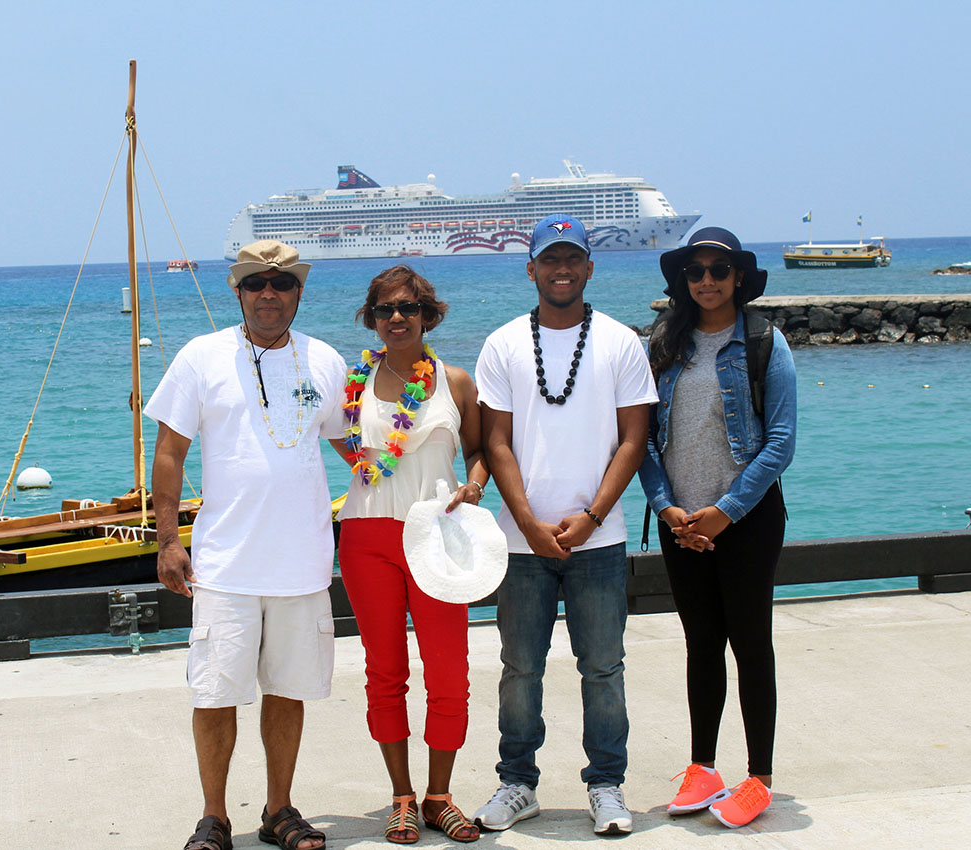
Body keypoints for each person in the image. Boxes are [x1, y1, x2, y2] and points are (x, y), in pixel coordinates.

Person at [145, 240, 346, 850]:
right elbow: (169, 453)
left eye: (281, 283)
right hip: (225, 563)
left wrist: (427, 475)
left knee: (288, 692)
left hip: (303, 562)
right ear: (238, 291)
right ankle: (213, 817)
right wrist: (167, 542)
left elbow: (352, 446)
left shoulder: (327, 361)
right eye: (256, 282)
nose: (268, 293)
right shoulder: (200, 357)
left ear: (298, 294)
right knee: (215, 694)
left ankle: (279, 810)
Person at [472, 215, 657, 836]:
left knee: (603, 667)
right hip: (521, 543)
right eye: (549, 260)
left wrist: (594, 514)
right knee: (520, 668)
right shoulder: (502, 343)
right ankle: (517, 782)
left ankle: (606, 785)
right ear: (531, 269)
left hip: (598, 539)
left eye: (572, 259)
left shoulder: (619, 342)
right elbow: (495, 442)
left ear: (589, 268)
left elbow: (634, 438)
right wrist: (525, 521)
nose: (561, 270)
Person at [637, 227, 797, 829]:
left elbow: (780, 441)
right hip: (682, 524)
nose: (706, 281)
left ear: (737, 279)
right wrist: (667, 507)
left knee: (751, 644)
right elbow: (644, 438)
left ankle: (759, 777)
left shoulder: (763, 343)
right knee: (701, 644)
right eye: (695, 271)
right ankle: (703, 767)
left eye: (717, 271)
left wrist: (726, 511)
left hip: (748, 522)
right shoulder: (663, 345)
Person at [334, 265, 488, 845]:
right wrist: (362, 467)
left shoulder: (455, 381)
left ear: (428, 314)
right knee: (385, 671)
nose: (395, 318)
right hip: (367, 535)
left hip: (436, 534)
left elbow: (480, 451)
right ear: (371, 319)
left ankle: (440, 796)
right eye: (383, 310)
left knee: (450, 671)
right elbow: (333, 432)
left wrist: (473, 488)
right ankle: (401, 795)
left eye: (407, 308)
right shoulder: (353, 381)